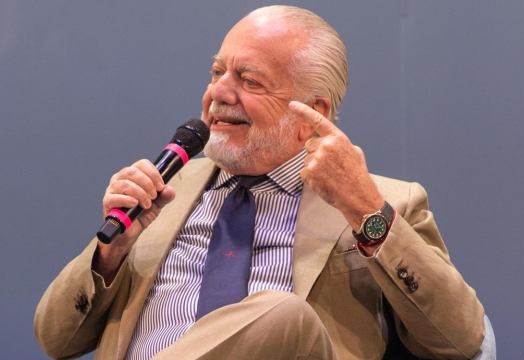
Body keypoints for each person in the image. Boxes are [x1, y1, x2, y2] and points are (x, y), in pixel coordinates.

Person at [35, 5, 486, 360]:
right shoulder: (161, 194)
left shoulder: (380, 203)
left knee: (281, 312)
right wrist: (109, 255)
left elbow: (459, 341)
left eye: (249, 81)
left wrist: (367, 212)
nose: (219, 94)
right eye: (217, 73)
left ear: (314, 113)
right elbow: (55, 340)